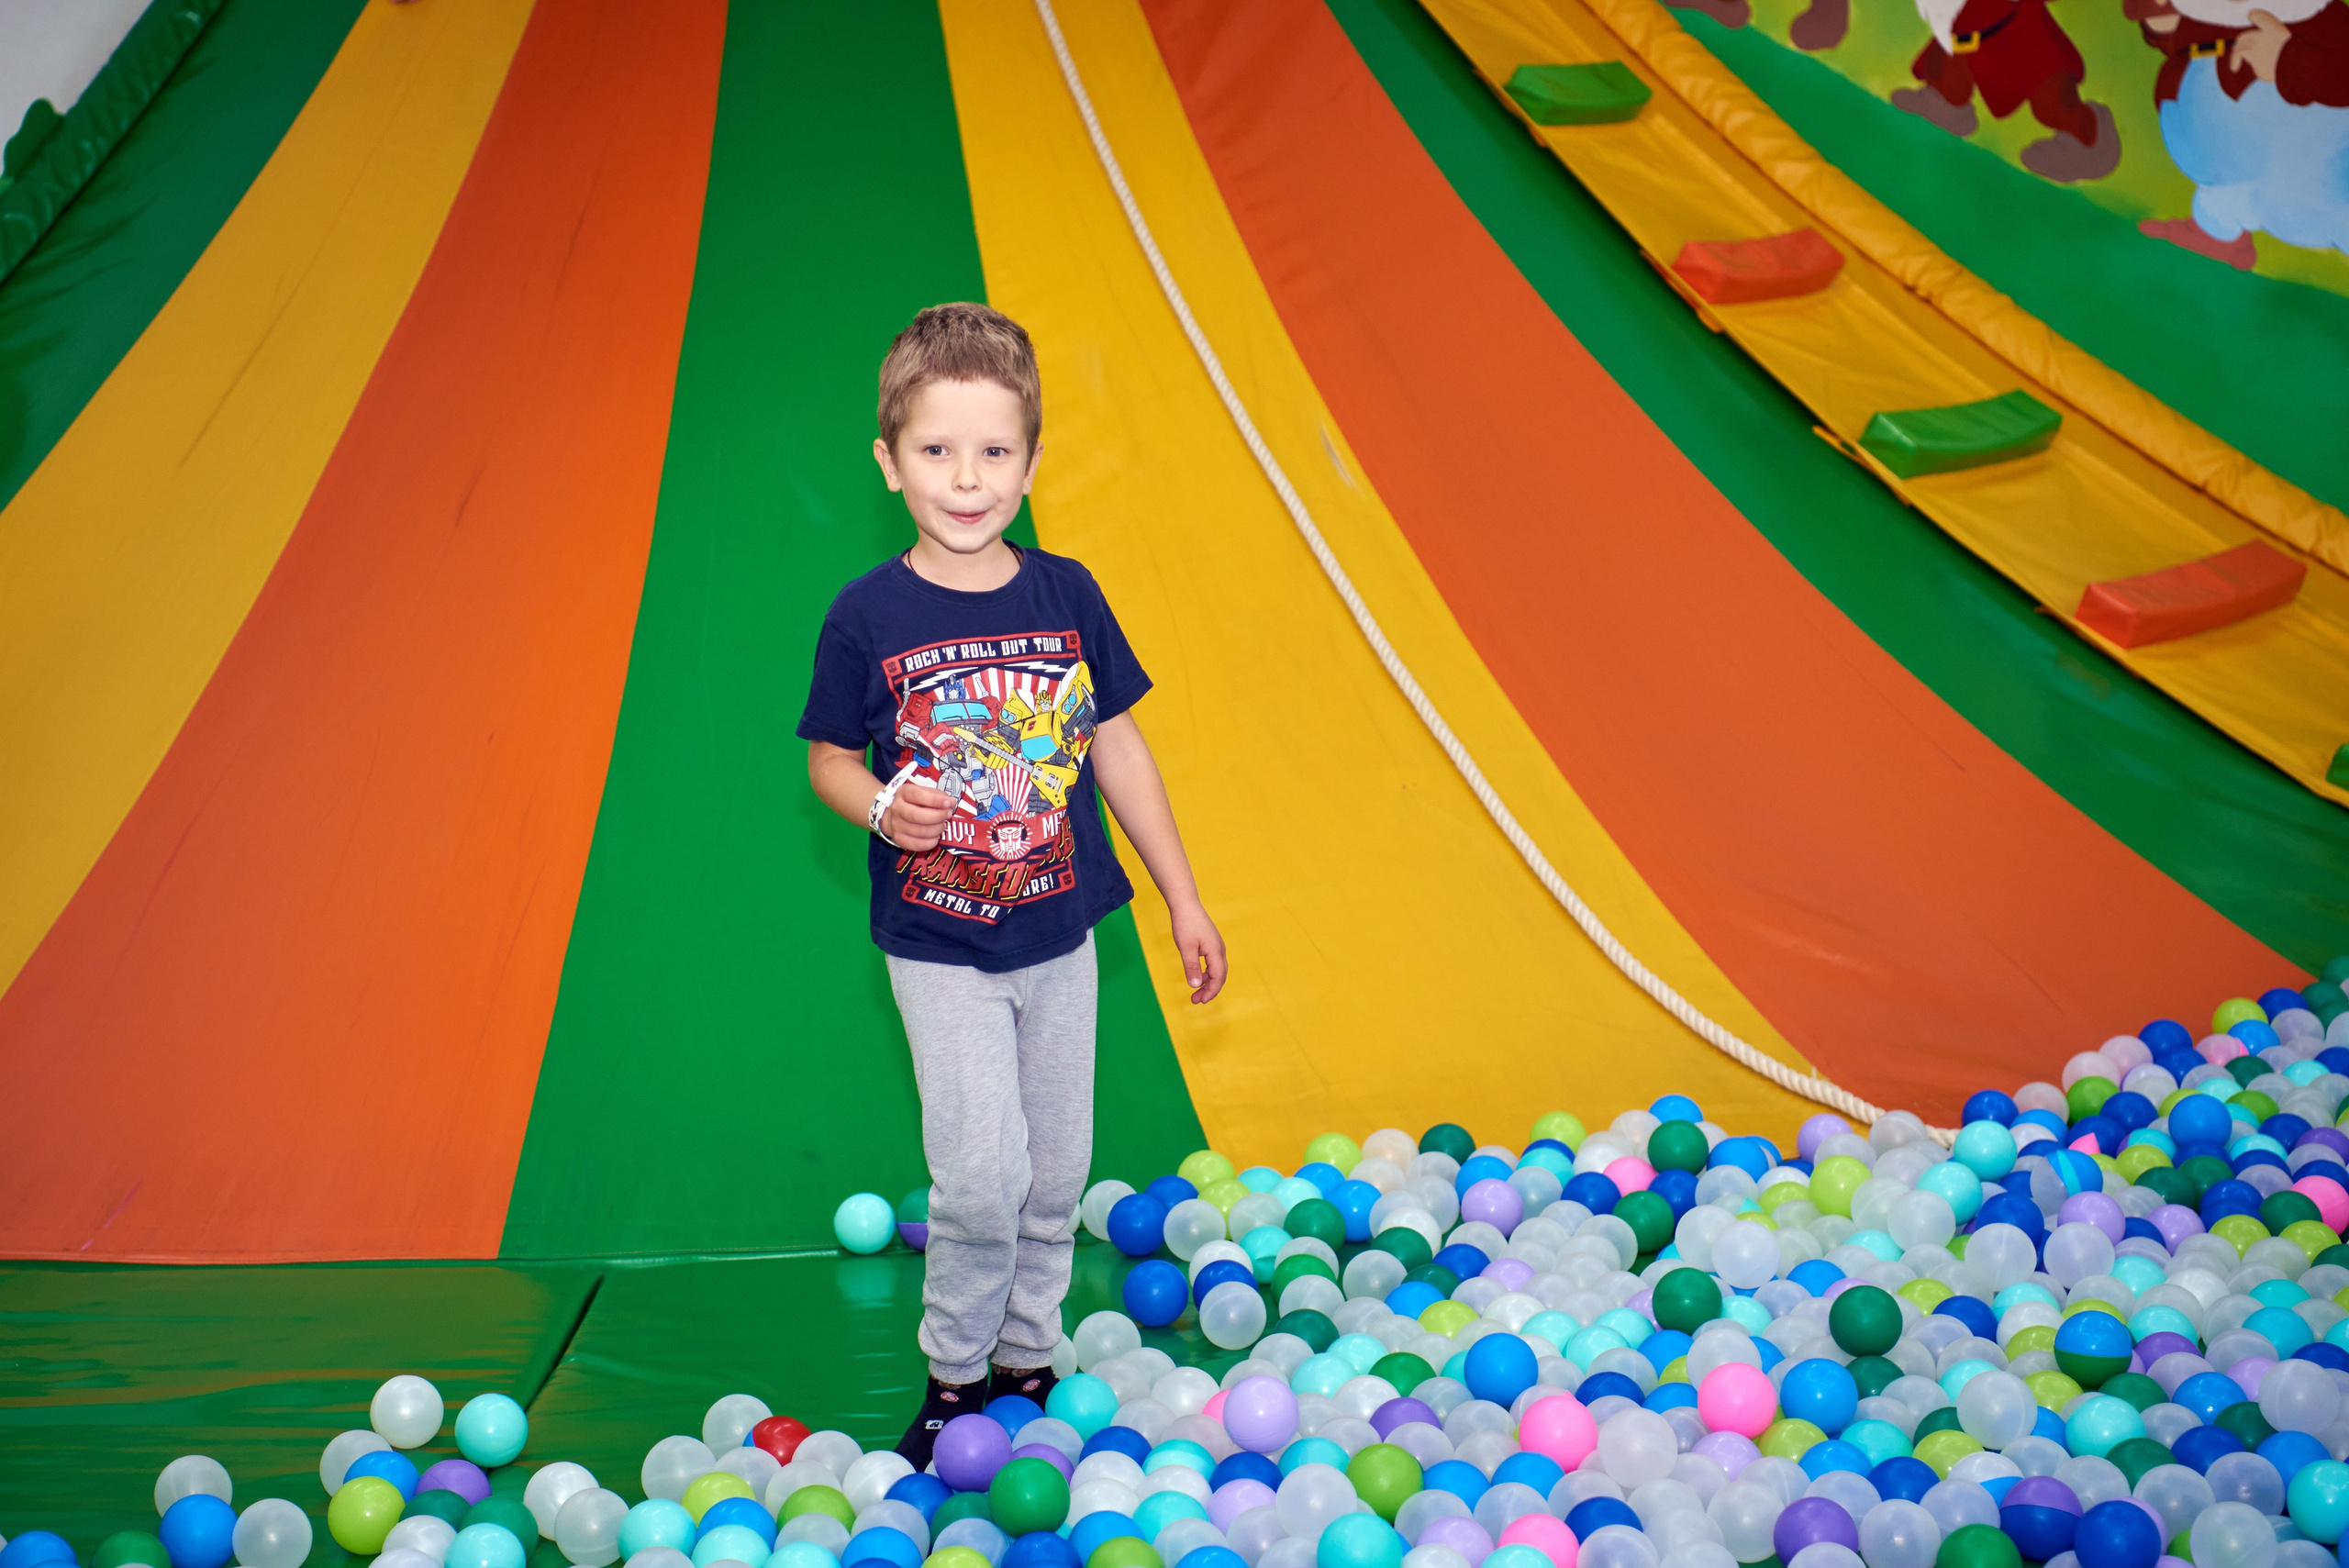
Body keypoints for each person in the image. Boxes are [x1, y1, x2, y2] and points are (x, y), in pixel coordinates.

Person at [796, 302, 1228, 1465]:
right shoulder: (868, 614)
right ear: (889, 464)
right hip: (939, 946)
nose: (968, 478)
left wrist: (1181, 893)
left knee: (1058, 1168)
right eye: (937, 450)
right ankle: (954, 1371)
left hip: (1061, 931)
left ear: (1031, 463)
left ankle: (1027, 1352)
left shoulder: (1065, 593)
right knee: (979, 1173)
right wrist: (884, 803)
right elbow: (829, 757)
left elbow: (1119, 746)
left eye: (994, 451)